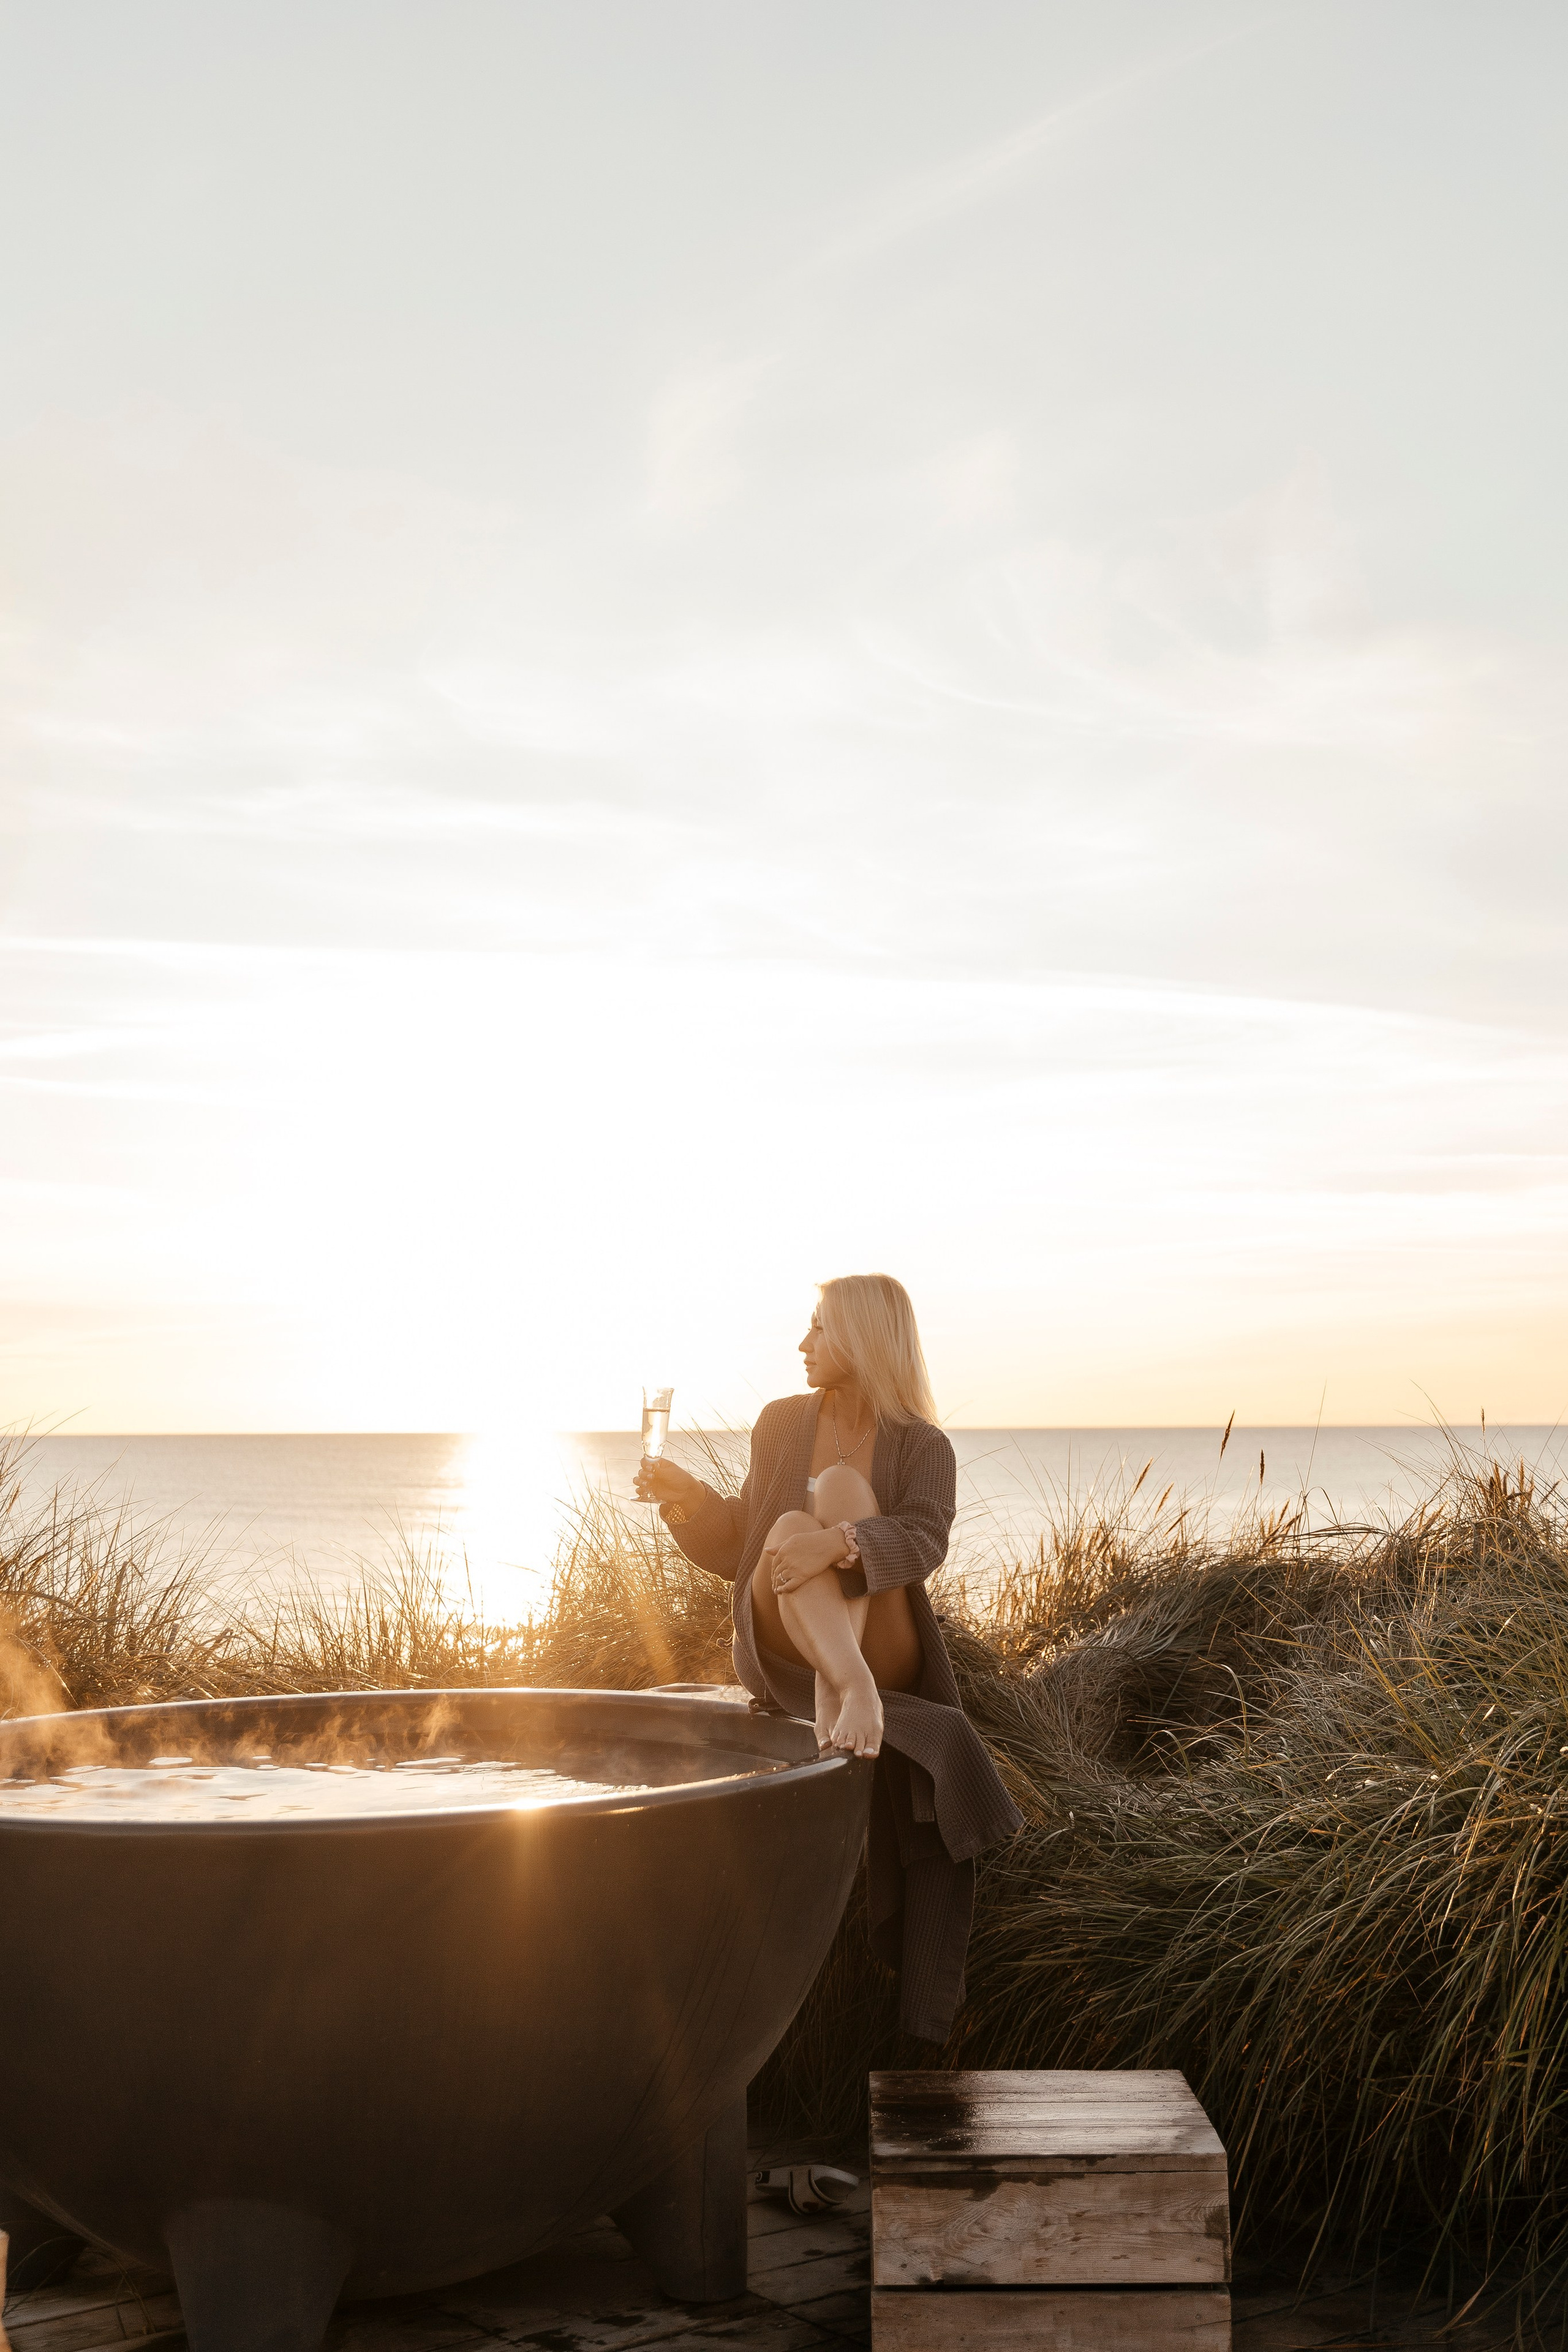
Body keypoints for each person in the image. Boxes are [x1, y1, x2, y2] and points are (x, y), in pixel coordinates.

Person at [635, 1273, 1021, 2045]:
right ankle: (848, 1686)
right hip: (786, 1649)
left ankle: (847, 1681)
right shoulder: (781, 1423)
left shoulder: (923, 1446)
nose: (802, 1344)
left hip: (884, 1640)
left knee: (838, 1493)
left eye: (819, 1329)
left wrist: (837, 1542)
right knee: (783, 1525)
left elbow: (925, 1539)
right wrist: (686, 1498)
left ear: (863, 1338)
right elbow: (745, 1543)